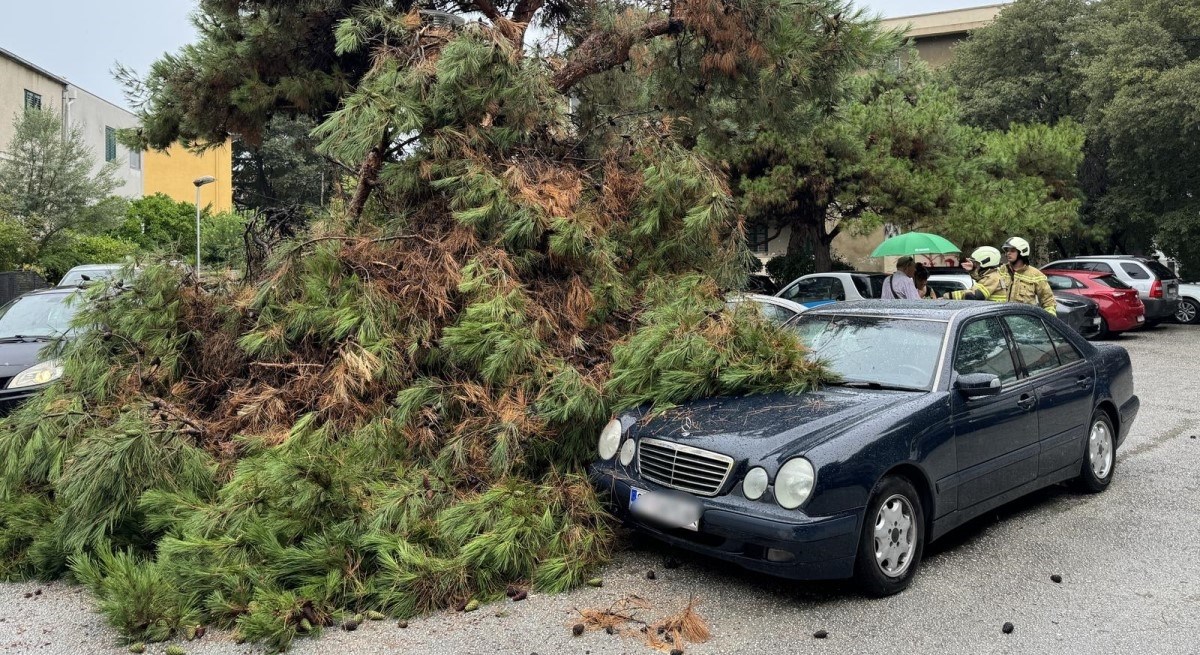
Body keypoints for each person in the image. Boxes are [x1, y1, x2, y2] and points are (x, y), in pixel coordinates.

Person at [1001, 236, 1056, 315]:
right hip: (1001, 321)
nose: (1008, 253)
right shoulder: (1002, 270)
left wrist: (1049, 320)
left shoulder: (1036, 275)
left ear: (1022, 252)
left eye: (1012, 250)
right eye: (1007, 250)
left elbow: (1049, 301)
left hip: (1023, 323)